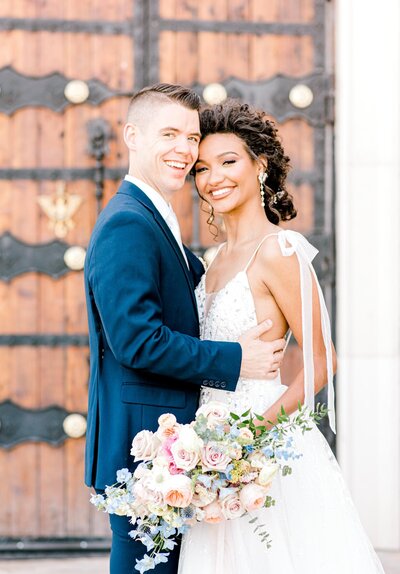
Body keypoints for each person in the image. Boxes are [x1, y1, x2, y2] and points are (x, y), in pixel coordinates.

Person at [84, 84, 286, 574]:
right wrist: (236, 360)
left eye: (192, 138)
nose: (185, 150)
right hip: (146, 452)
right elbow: (137, 341)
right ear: (133, 135)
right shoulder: (129, 223)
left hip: (178, 452)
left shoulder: (155, 217)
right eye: (169, 133)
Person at [177, 100, 385, 573]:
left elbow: (322, 359)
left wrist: (249, 437)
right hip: (207, 446)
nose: (213, 179)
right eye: (202, 169)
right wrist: (208, 445)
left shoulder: (280, 250)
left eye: (228, 162)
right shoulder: (212, 260)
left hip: (261, 444)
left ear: (259, 166)